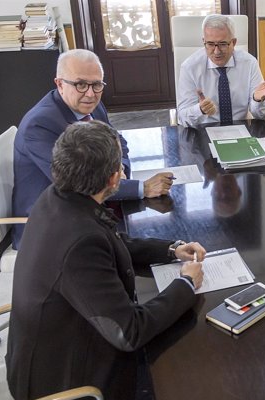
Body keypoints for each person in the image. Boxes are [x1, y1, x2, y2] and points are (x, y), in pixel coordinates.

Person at [6, 121, 206, 400]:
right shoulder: (79, 241)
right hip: (71, 393)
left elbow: (109, 243)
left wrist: (170, 249)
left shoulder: (57, 199)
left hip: (50, 357)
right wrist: (185, 283)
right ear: (114, 177)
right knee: (190, 374)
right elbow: (130, 332)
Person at [12, 48, 173, 249]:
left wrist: (118, 167)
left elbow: (117, 140)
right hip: (52, 222)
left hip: (90, 203)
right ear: (59, 84)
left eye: (97, 84)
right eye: (80, 84)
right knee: (129, 242)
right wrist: (143, 188)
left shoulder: (90, 104)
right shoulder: (40, 125)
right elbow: (77, 185)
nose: (90, 93)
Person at [177, 14, 265, 126]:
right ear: (204, 41)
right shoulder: (190, 67)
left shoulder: (249, 63)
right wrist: (200, 110)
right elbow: (182, 118)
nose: (217, 51)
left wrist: (257, 101)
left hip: (241, 131)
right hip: (204, 132)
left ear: (233, 42)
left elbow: (261, 116)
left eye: (223, 44)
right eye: (210, 44)